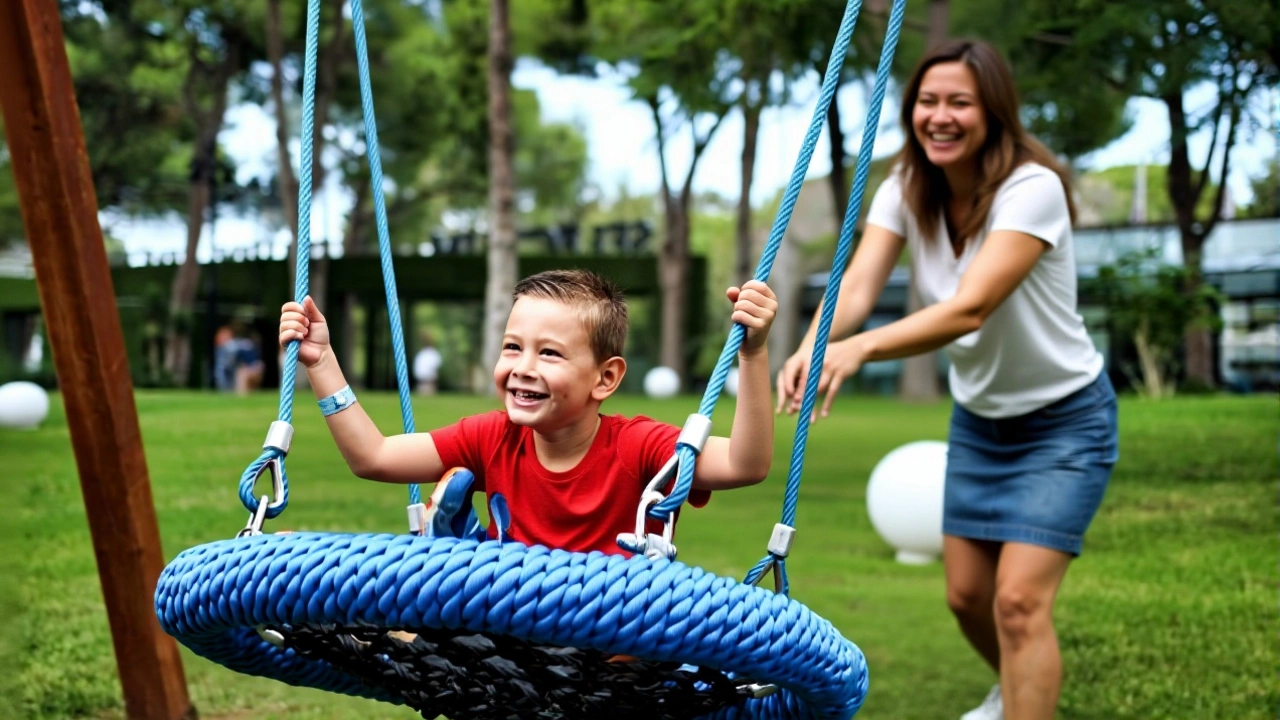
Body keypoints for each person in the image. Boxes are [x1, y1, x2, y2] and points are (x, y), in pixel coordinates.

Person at [775, 40, 1118, 720]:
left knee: (1019, 603)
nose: (940, 116)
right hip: (980, 422)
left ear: (992, 111)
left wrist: (859, 351)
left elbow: (970, 308)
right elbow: (859, 286)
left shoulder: (1032, 188)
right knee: (966, 597)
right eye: (928, 101)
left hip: (1064, 422)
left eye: (959, 102)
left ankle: (1027, 694)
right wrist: (814, 346)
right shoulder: (907, 186)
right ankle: (1021, 683)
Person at [280, 269, 779, 556]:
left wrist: (753, 355)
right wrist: (323, 362)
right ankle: (458, 553)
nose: (522, 368)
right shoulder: (491, 438)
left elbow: (743, 464)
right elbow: (375, 456)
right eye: (513, 347)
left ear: (605, 379)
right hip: (516, 641)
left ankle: (461, 547)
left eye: (550, 354)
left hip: (615, 654)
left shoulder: (638, 447)